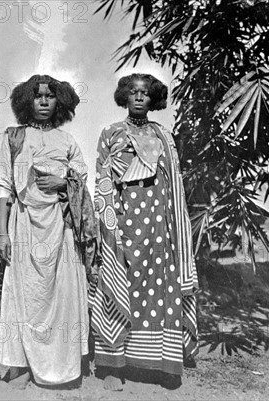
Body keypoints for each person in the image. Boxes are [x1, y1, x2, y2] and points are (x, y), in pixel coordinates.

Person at [89, 73, 198, 391]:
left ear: (154, 99)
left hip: (159, 229)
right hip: (123, 226)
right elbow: (104, 182)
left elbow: (174, 185)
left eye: (145, 93)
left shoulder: (164, 135)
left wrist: (174, 227)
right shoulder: (110, 133)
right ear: (124, 96)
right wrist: (110, 226)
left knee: (162, 291)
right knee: (119, 287)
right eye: (133, 92)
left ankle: (163, 365)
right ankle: (113, 366)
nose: (138, 97)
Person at [0, 74, 96, 388]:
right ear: (28, 100)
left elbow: (81, 178)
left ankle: (61, 368)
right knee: (25, 295)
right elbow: (4, 187)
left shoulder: (66, 140)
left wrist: (63, 182)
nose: (43, 102)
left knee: (62, 295)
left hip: (61, 229)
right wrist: (2, 233)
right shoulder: (14, 137)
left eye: (49, 97)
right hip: (24, 225)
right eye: (37, 97)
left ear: (59, 102)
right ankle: (22, 364)